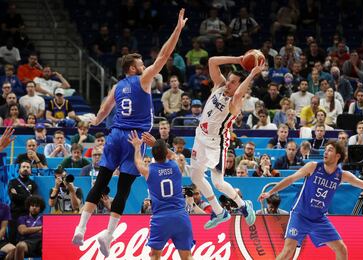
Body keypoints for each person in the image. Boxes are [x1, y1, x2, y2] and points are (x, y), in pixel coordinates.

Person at [72, 10, 187, 258]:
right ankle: (108, 234)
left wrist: (92, 121)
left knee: (101, 182)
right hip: (135, 139)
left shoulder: (116, 86)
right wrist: (177, 29)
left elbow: (101, 113)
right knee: (123, 188)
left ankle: (81, 228)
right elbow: (165, 55)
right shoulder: (143, 79)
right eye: (141, 64)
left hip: (114, 135)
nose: (145, 66)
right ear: (134, 69)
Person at [258, 141, 363, 260]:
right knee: (288, 251)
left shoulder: (341, 175)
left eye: (330, 150)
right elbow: (291, 179)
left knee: (341, 249)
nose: (325, 152)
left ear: (337, 156)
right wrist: (271, 192)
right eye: (325, 149)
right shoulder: (313, 166)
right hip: (300, 215)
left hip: (319, 219)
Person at [190, 55, 263, 230]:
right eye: (229, 80)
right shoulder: (219, 87)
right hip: (200, 135)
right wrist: (239, 59)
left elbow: (239, 93)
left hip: (216, 143)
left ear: (240, 85)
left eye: (233, 82)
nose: (229, 84)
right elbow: (212, 61)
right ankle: (219, 211)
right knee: (195, 176)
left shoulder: (236, 102)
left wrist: (252, 74)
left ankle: (243, 205)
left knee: (218, 183)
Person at [128, 132, 194, 260]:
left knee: (155, 256)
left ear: (153, 155)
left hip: (160, 219)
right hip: (180, 216)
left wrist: (137, 146)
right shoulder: (176, 166)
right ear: (166, 153)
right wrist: (155, 143)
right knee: (187, 257)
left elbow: (138, 162)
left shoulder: (149, 170)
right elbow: (174, 155)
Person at [8, 161, 38, 245]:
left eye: (28, 167)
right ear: (19, 169)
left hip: (27, 214)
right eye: (23, 167)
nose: (25, 169)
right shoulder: (13, 182)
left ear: (30, 170)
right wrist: (28, 195)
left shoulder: (33, 184)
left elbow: (33, 200)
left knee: (25, 239)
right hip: (14, 214)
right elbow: (13, 198)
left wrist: (18, 195)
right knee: (13, 238)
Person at [14, 196, 45, 260]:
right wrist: (41, 227)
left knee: (48, 247)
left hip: (41, 241)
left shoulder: (43, 219)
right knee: (20, 246)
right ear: (28, 207)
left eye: (37, 206)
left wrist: (29, 230)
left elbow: (47, 232)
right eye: (32, 205)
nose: (34, 207)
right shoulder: (22, 218)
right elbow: (23, 231)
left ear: (40, 208)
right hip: (27, 241)